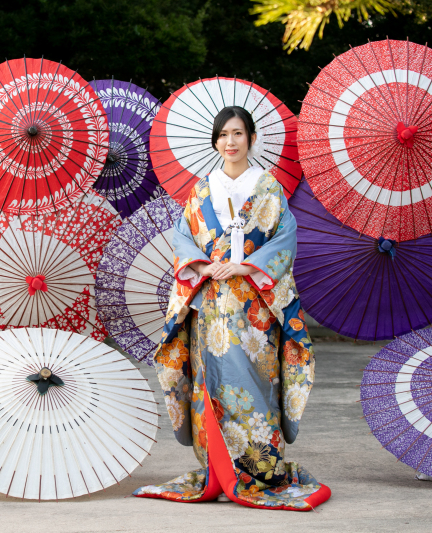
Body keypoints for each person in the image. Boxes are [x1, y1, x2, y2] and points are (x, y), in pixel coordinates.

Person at [133, 106, 330, 510]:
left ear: (252, 139)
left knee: (255, 382)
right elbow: (183, 236)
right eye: (223, 135)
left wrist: (242, 266)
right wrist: (205, 266)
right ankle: (217, 469)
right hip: (209, 301)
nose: (231, 142)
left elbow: (285, 240)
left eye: (238, 133)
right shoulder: (203, 189)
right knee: (211, 382)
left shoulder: (268, 188)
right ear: (216, 141)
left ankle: (259, 468)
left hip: (254, 307)